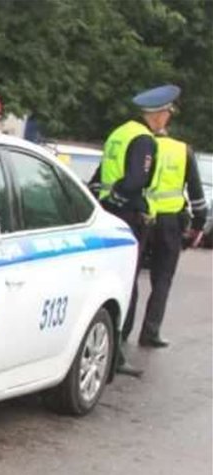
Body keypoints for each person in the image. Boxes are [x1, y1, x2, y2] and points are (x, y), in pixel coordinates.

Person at [91, 84, 179, 377]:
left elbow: (102, 172)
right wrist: (122, 198)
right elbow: (136, 180)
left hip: (108, 212)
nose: (168, 118)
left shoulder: (120, 132)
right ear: (158, 114)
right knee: (127, 283)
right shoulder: (144, 140)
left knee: (108, 280)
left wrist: (106, 199)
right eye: (168, 113)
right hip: (129, 215)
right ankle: (115, 356)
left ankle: (108, 350)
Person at [134, 129, 207, 347]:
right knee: (163, 279)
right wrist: (197, 226)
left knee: (131, 276)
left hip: (142, 217)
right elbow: (196, 193)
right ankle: (150, 332)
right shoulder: (182, 150)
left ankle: (121, 332)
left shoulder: (142, 147)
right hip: (170, 223)